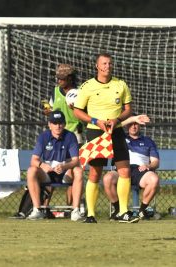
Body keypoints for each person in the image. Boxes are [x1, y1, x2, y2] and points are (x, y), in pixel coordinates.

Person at [73, 53, 139, 223]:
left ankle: (123, 212)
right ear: (97, 66)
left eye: (110, 63)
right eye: (104, 63)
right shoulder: (87, 86)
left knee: (124, 170)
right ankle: (90, 215)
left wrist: (117, 120)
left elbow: (127, 110)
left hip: (116, 131)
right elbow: (77, 111)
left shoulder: (121, 84)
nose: (107, 66)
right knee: (95, 173)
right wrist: (96, 121)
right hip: (96, 132)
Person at [26, 110, 83, 221]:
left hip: (66, 173)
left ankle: (75, 211)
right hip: (47, 174)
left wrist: (64, 166)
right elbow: (34, 160)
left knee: (78, 171)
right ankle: (37, 210)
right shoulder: (43, 136)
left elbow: (76, 160)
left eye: (60, 123)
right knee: (31, 170)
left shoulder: (70, 136)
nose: (58, 126)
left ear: (65, 124)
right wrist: (43, 165)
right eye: (55, 123)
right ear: (49, 124)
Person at [103, 115, 158, 220]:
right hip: (121, 170)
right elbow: (111, 128)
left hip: (140, 171)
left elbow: (156, 162)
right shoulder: (120, 138)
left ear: (140, 125)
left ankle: (142, 210)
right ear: (127, 125)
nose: (133, 126)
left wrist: (149, 165)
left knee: (154, 179)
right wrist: (129, 119)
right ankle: (119, 210)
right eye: (131, 124)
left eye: (136, 124)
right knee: (107, 178)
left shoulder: (148, 141)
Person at [43, 63, 84, 206]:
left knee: (73, 172)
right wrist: (48, 111)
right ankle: (44, 207)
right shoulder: (55, 91)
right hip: (57, 137)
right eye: (58, 78)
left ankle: (72, 207)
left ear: (71, 78)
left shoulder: (80, 93)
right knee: (52, 170)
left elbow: (86, 114)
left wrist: (77, 110)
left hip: (75, 136)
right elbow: (50, 108)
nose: (59, 81)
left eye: (62, 78)